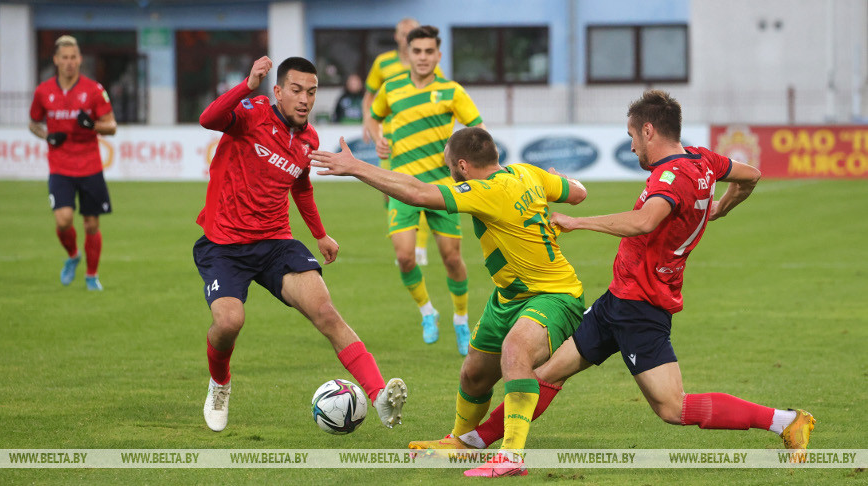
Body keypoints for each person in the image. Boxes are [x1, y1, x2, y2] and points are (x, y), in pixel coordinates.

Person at [410, 90, 816, 476]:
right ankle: (475, 443)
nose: (633, 147)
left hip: (642, 307)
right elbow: (751, 176)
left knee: (672, 408)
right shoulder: (704, 159)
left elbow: (644, 221)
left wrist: (578, 221)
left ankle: (785, 421)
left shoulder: (671, 178)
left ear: (649, 131)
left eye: (632, 138)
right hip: (617, 301)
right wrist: (718, 211)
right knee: (546, 372)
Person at [311, 126, 588, 478]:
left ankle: (511, 455)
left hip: (554, 295)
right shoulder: (526, 172)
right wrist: (563, 181)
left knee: (515, 352)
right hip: (511, 295)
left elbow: (417, 192)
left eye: (449, 168)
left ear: (462, 166)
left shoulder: (486, 190)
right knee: (473, 374)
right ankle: (461, 442)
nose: (449, 174)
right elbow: (577, 193)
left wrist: (356, 167)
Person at [194, 55, 407, 433]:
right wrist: (246, 85)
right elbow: (208, 119)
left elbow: (301, 186)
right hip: (224, 245)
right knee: (228, 323)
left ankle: (378, 396)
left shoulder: (308, 138)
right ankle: (220, 384)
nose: (304, 99)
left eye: (311, 92)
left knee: (326, 312)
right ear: (277, 91)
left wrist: (320, 233)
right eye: (295, 90)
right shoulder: (251, 113)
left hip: (276, 242)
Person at [363, 25, 485, 356]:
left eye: (429, 52)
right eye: (417, 51)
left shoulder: (451, 90)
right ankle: (427, 313)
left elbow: (479, 130)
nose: (422, 57)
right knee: (404, 257)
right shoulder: (391, 88)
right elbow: (373, 119)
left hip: (442, 188)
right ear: (409, 53)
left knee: (452, 259)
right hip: (402, 185)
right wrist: (378, 138)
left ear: (438, 55)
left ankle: (461, 318)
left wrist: (462, 155)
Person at [29, 35, 117, 291]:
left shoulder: (94, 90)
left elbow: (111, 126)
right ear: (56, 60)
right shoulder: (43, 91)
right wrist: (47, 135)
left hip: (89, 165)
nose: (69, 63)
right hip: (60, 166)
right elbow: (33, 123)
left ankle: (91, 276)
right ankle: (72, 256)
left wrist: (94, 125)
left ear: (80, 59)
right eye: (64, 58)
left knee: (91, 223)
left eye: (73, 57)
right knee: (64, 220)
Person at [363, 17, 443, 267]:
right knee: (390, 191)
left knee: (418, 189)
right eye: (404, 33)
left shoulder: (429, 65)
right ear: (398, 37)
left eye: (413, 32)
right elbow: (369, 96)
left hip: (418, 142)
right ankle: (404, 238)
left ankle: (419, 247)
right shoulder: (382, 63)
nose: (409, 36)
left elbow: (440, 96)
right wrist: (369, 122)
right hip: (388, 137)